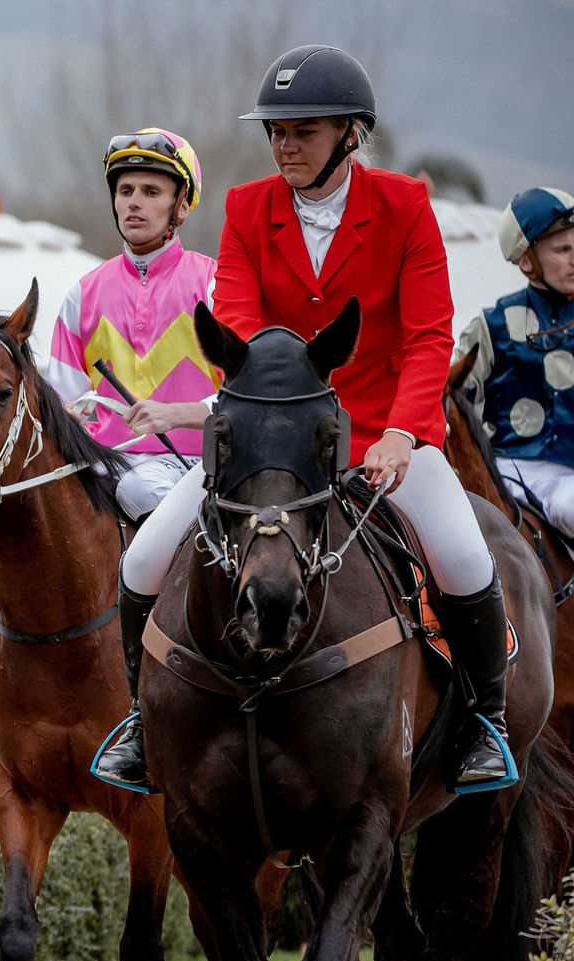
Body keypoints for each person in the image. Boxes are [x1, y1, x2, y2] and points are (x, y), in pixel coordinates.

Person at [93, 44, 518, 795]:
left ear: (350, 134)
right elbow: (238, 316)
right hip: (267, 436)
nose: (285, 146)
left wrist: (401, 432)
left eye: (305, 131)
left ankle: (486, 720)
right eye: (276, 132)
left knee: (463, 555)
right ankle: (137, 721)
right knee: (145, 558)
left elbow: (427, 334)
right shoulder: (250, 208)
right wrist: (271, 413)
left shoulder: (405, 206)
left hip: (388, 432)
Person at [41, 128, 220, 519]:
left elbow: (247, 397)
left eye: (151, 192)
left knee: (140, 489)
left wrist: (177, 414)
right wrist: (66, 415)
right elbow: (62, 398)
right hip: (103, 467)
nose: (134, 203)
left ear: (182, 206)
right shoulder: (83, 294)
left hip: (193, 469)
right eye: (126, 191)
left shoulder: (213, 286)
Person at [458, 187, 574, 529]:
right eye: (562, 249)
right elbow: (453, 403)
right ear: (526, 260)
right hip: (505, 473)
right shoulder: (489, 325)